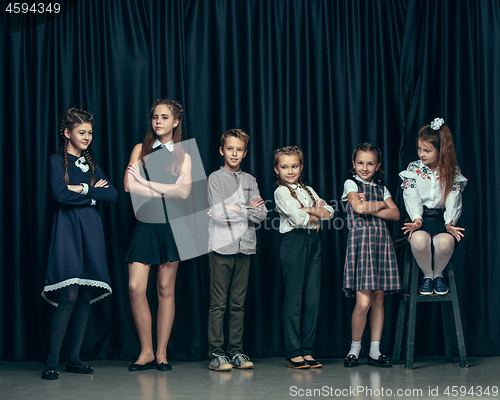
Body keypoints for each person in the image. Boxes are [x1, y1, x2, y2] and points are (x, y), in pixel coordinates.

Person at [42, 108, 117, 380]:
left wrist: (84, 189)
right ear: (67, 133)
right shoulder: (56, 161)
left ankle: (74, 358)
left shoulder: (92, 165)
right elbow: (61, 196)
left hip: (92, 230)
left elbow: (113, 194)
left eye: (90, 133)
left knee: (85, 293)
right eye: (82, 132)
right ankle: (52, 360)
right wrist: (94, 194)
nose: (87, 137)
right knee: (70, 293)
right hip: (68, 230)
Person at [124, 99, 192, 372]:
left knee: (166, 290)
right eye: (155, 116)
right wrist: (165, 189)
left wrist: (146, 183)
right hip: (145, 224)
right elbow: (129, 186)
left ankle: (161, 353)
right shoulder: (140, 149)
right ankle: (146, 351)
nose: (158, 121)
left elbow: (185, 193)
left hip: (172, 226)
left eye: (164, 117)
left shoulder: (184, 156)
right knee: (135, 288)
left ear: (175, 122)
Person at [206, 129, 267, 371]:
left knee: (237, 304)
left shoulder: (250, 180)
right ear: (222, 150)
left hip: (246, 248)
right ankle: (216, 353)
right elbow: (219, 214)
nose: (234, 153)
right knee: (218, 303)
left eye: (239, 149)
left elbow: (261, 214)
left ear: (245, 152)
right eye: (229, 148)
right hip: (221, 247)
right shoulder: (215, 178)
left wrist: (235, 206)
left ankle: (236, 351)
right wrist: (245, 208)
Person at [273, 145, 334, 369]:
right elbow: (298, 219)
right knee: (295, 298)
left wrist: (314, 211)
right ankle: (293, 351)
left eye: (294, 166)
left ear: (301, 167)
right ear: (276, 169)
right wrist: (315, 211)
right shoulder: (280, 192)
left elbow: (331, 211)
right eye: (285, 167)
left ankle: (307, 349)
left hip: (313, 241)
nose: (290, 171)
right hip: (294, 242)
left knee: (313, 297)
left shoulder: (308, 189)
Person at [341, 143, 400, 368]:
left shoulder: (382, 188)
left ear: (378, 166)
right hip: (361, 246)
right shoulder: (351, 183)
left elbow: (395, 214)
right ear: (354, 164)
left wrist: (371, 206)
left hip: (381, 245)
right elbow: (358, 208)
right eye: (360, 163)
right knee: (363, 302)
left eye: (370, 163)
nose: (365, 167)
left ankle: (375, 351)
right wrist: (379, 208)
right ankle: (355, 349)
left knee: (378, 299)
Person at [400, 118, 467, 296]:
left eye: (427, 150)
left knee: (445, 243)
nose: (421, 154)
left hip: (442, 220)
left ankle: (438, 275)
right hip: (420, 219)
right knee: (420, 241)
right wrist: (416, 218)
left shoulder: (452, 170)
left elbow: (454, 197)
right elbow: (410, 194)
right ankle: (427, 276)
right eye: (419, 149)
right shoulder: (414, 168)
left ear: (441, 150)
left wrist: (450, 222)